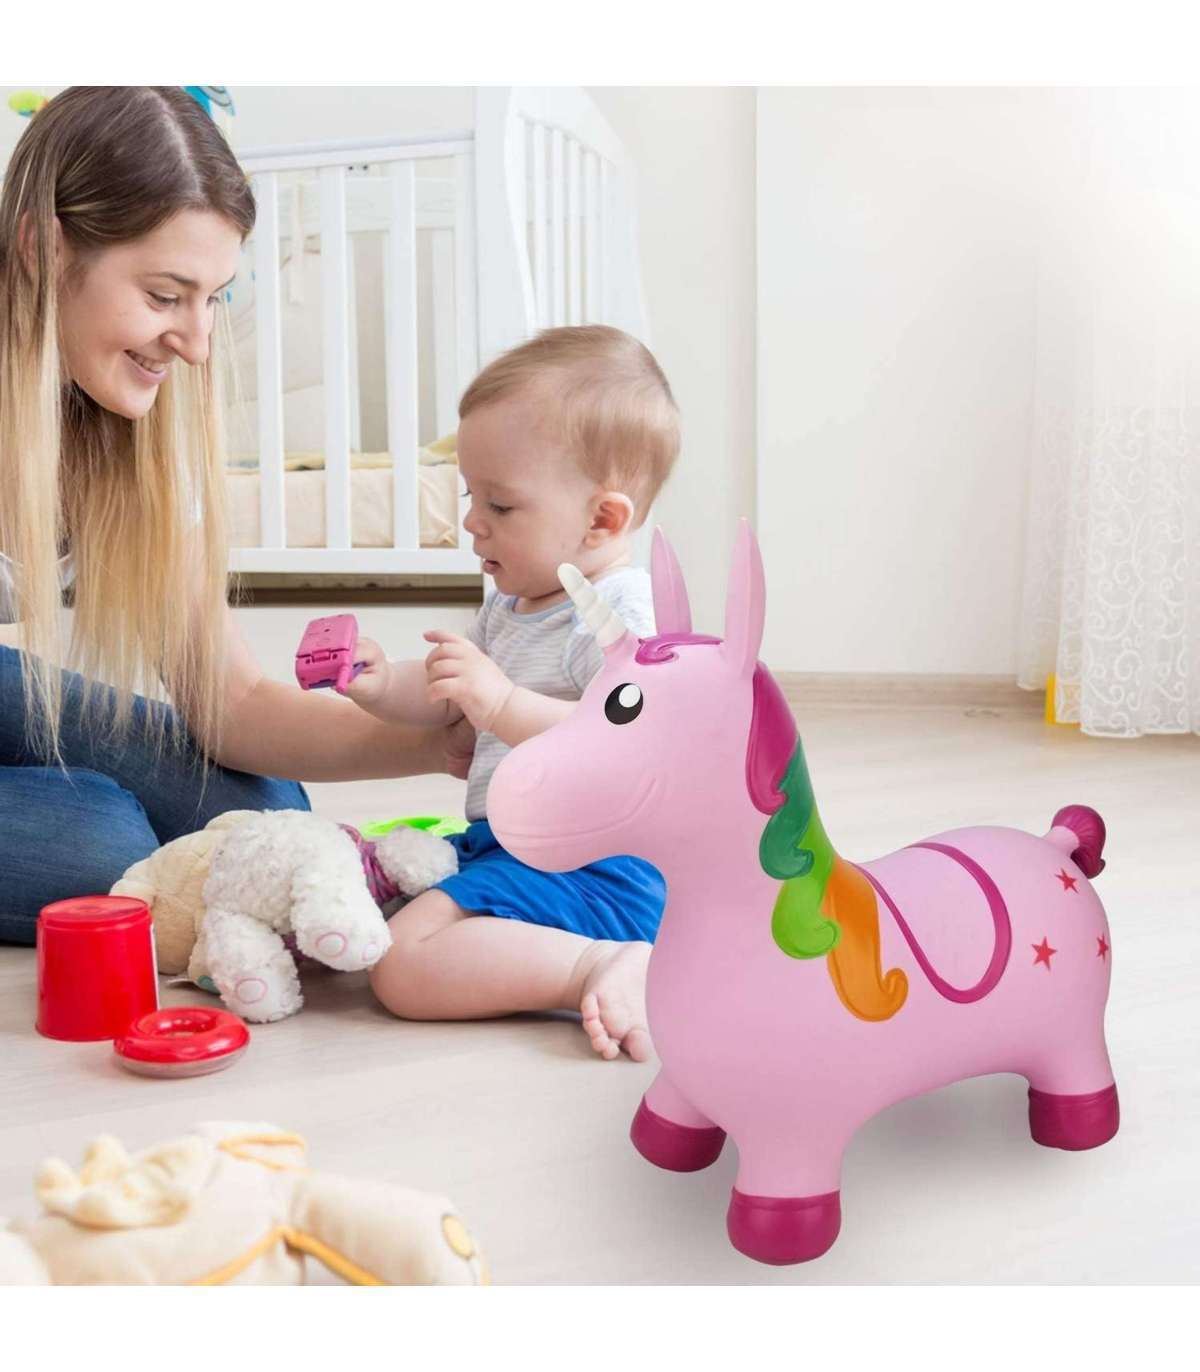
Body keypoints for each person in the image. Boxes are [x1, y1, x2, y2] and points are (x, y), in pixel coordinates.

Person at [0, 86, 468, 947]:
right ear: (41, 249)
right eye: (164, 295)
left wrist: (448, 734)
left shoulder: (130, 434)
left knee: (265, 811)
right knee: (101, 840)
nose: (197, 342)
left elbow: (235, 705)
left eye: (213, 297)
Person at [342, 326, 681, 1061]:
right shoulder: (514, 603)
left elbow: (627, 741)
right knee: (374, 907)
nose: (471, 520)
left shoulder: (614, 612)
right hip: (515, 845)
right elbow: (447, 694)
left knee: (400, 963)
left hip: (596, 863)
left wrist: (500, 705)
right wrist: (382, 683)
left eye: (499, 504)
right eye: (472, 495)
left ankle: (600, 964)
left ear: (602, 520)